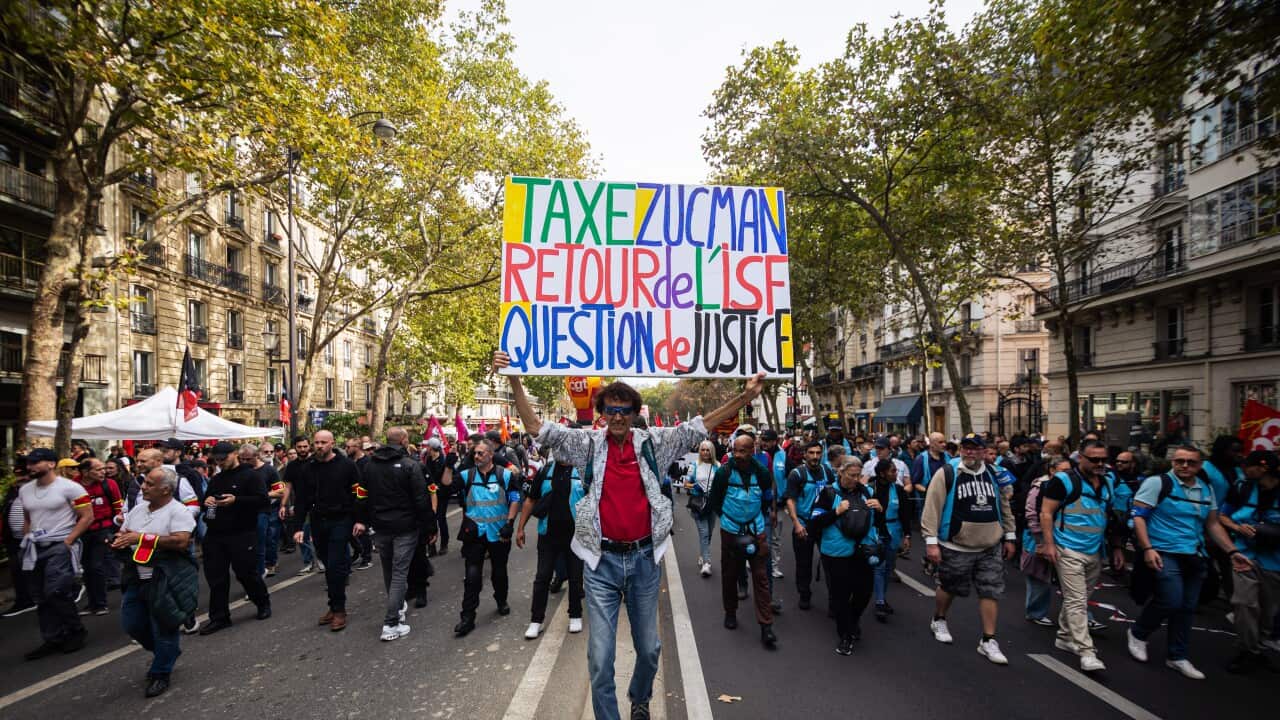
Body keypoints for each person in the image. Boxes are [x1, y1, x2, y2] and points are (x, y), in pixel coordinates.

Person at [497, 350, 763, 720]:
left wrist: (745, 398)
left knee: (650, 649)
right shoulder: (587, 444)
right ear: (602, 414)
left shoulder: (654, 442)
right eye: (611, 410)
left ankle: (640, 698)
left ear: (636, 413)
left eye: (625, 410)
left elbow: (699, 427)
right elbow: (538, 430)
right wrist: (513, 377)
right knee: (600, 658)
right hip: (601, 564)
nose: (618, 417)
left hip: (643, 563)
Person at [1127, 445, 1247, 679]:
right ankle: (1138, 633)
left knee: (1187, 608)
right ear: (1172, 462)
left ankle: (1177, 656)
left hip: (1194, 554)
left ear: (1200, 465)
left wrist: (1232, 552)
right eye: (1179, 461)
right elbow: (1139, 517)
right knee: (1171, 600)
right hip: (1164, 551)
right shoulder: (1157, 483)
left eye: (1191, 462)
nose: (1184, 466)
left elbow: (1212, 524)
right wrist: (1148, 548)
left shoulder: (1205, 489)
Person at [920, 433, 1016, 665]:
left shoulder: (995, 474)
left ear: (984, 451)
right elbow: (932, 506)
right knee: (949, 586)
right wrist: (931, 541)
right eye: (966, 448)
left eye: (975, 448)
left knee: (990, 590)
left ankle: (988, 639)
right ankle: (939, 618)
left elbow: (1004, 506)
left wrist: (1010, 536)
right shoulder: (948, 472)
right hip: (956, 545)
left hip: (989, 545)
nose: (970, 452)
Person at [111, 466, 198, 698]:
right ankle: (166, 653)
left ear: (166, 490)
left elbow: (181, 541)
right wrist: (119, 539)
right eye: (145, 482)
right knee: (133, 624)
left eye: (150, 484)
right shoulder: (138, 510)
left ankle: (161, 672)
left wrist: (141, 538)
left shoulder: (178, 511)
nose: (143, 487)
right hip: (135, 577)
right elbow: (125, 531)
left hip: (164, 578)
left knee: (164, 627)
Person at [1038, 441, 1124, 672]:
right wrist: (1049, 545)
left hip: (1094, 550)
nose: (1099, 464)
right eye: (1093, 459)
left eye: (1103, 460)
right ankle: (1086, 651)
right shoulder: (1063, 481)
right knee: (1076, 600)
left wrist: (1116, 547)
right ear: (1080, 458)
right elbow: (1046, 513)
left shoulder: (1107, 482)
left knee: (1080, 598)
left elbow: (1110, 516)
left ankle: (1065, 636)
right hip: (1068, 548)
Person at [355, 426, 434, 642]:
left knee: (390, 571)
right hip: (405, 527)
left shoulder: (370, 466)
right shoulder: (410, 465)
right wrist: (430, 527)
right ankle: (391, 622)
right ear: (405, 440)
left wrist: (362, 520)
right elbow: (421, 499)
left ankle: (397, 610)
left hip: (380, 527)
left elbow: (361, 496)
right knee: (399, 573)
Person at [18, 447, 94, 659]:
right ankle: (52, 638)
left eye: (35, 463)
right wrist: (27, 537)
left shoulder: (71, 488)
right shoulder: (25, 490)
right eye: (29, 463)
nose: (29, 466)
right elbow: (27, 517)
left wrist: (68, 541)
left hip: (59, 545)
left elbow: (87, 516)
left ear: (51, 464)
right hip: (34, 547)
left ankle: (75, 630)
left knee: (56, 590)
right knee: (40, 595)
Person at [708, 434, 777, 648]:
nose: (738, 455)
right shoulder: (724, 473)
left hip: (756, 531)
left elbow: (768, 495)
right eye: (735, 450)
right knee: (730, 574)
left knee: (761, 576)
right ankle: (730, 612)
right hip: (731, 530)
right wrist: (729, 519)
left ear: (752, 450)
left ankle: (766, 626)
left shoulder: (762, 473)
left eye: (743, 451)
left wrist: (766, 514)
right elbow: (715, 501)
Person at [807, 457, 881, 656]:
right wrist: (836, 512)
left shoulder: (867, 492)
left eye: (858, 475)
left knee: (864, 592)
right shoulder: (828, 493)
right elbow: (814, 522)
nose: (856, 479)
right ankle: (845, 635)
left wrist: (880, 510)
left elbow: (877, 523)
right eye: (851, 475)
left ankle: (852, 619)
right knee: (840, 595)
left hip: (863, 550)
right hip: (836, 552)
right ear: (840, 473)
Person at [290, 430, 361, 632]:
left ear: (332, 443)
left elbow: (360, 492)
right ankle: (333, 605)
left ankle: (339, 610)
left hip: (341, 519)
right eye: (316, 442)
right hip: (318, 521)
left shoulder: (347, 465)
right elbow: (302, 499)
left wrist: (361, 519)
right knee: (328, 565)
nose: (319, 446)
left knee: (336, 565)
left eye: (323, 442)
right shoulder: (308, 468)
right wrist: (297, 528)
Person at [197, 443, 270, 634]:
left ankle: (262, 602)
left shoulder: (251, 475)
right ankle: (219, 617)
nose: (221, 462)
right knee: (216, 577)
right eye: (218, 460)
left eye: (224, 458)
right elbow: (208, 506)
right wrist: (209, 503)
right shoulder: (216, 479)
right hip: (216, 534)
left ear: (234, 454)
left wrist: (236, 500)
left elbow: (262, 500)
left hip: (242, 532)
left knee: (246, 573)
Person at [452, 438, 521, 637]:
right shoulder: (466, 475)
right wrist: (449, 466)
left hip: (499, 533)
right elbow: (446, 487)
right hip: (474, 533)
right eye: (474, 453)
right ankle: (467, 617)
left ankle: (501, 600)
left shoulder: (505, 476)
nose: (476, 456)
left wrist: (510, 523)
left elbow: (514, 498)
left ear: (491, 455)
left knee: (499, 572)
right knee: (472, 576)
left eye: (480, 453)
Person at [1219, 450, 1280, 673]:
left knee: (1267, 611)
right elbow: (1222, 516)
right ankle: (1247, 651)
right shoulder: (1242, 488)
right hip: (1244, 556)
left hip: (1274, 562)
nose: (1244, 469)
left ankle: (1257, 648)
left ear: (1263, 468)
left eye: (1249, 465)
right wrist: (1237, 528)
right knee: (1244, 604)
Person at [517, 451, 587, 639]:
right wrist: (520, 528)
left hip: (576, 535)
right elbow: (531, 500)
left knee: (575, 577)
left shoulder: (582, 471)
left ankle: (575, 614)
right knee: (542, 577)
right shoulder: (545, 471)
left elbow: (594, 502)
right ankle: (536, 620)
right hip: (548, 534)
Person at [784, 442, 837, 610]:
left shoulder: (827, 472)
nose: (815, 456)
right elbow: (791, 500)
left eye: (818, 453)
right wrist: (796, 523)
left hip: (825, 525)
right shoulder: (797, 474)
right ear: (804, 454)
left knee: (831, 563)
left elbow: (835, 494)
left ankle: (834, 600)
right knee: (804, 563)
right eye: (811, 453)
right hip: (805, 524)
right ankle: (804, 594)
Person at [1023, 458, 1072, 627]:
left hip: (1061, 537)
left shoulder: (1071, 486)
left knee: (1072, 581)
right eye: (1063, 471)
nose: (1068, 475)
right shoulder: (1040, 487)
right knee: (1039, 576)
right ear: (1052, 470)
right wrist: (1040, 541)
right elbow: (1032, 514)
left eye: (1070, 471)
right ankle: (1036, 612)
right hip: (1038, 538)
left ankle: (1082, 617)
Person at [75, 457, 122, 616]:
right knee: (87, 568)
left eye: (104, 469)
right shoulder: (73, 486)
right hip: (81, 532)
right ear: (85, 472)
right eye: (99, 469)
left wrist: (118, 530)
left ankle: (101, 603)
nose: (104, 472)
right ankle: (92, 603)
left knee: (96, 565)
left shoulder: (110, 484)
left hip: (103, 530)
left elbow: (118, 508)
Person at [870, 457, 912, 622]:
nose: (896, 474)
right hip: (876, 532)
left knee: (888, 568)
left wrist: (907, 535)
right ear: (882, 473)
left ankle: (882, 597)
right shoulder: (870, 488)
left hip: (894, 531)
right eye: (893, 471)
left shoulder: (899, 490)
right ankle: (879, 601)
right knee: (879, 567)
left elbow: (905, 514)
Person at [2, 457, 36, 617]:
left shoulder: (38, 489)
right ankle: (24, 599)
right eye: (17, 474)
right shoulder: (13, 490)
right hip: (14, 539)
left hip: (35, 537)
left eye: (24, 474)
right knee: (17, 570)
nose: (20, 478)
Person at [686, 441, 719, 577]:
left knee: (709, 533)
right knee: (704, 532)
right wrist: (694, 486)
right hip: (698, 504)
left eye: (708, 450)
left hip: (712, 503)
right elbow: (686, 483)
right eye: (703, 450)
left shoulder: (718, 466)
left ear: (712, 451)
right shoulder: (694, 466)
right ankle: (707, 563)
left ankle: (702, 554)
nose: (705, 452)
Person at [759, 429, 788, 580]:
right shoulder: (758, 455)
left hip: (779, 503)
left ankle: (774, 566)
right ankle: (756, 562)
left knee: (776, 537)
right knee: (759, 534)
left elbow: (788, 477)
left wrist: (786, 498)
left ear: (775, 441)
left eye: (767, 440)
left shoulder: (783, 456)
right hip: (760, 502)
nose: (764, 442)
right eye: (762, 439)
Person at [422, 437, 456, 556]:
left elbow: (450, 475)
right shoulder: (427, 459)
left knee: (441, 518)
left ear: (431, 447)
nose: (426, 448)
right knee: (430, 519)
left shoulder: (444, 460)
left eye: (428, 446)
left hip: (442, 494)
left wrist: (439, 486)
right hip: (430, 493)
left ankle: (444, 544)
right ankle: (431, 546)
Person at [344, 437, 374, 570]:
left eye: (349, 447)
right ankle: (357, 551)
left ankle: (367, 558)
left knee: (362, 530)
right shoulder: (348, 462)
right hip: (349, 501)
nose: (346, 449)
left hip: (363, 501)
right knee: (348, 531)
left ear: (357, 447)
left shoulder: (367, 462)